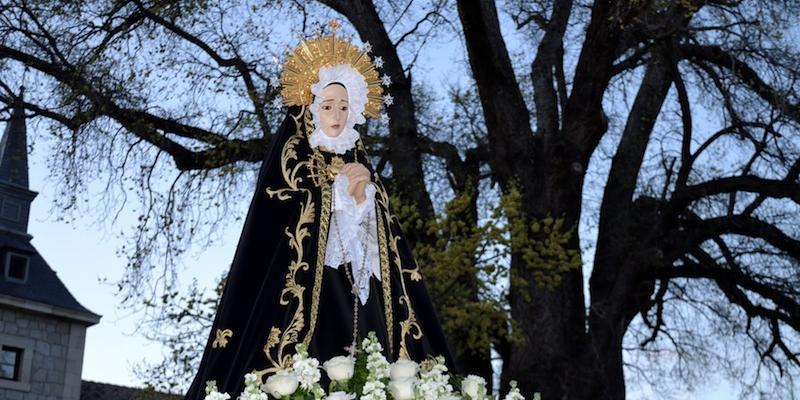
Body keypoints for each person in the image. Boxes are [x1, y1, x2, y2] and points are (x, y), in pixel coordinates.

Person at [183, 22, 454, 399]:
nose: (337, 114)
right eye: (327, 105)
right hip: (305, 295)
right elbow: (281, 222)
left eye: (344, 106)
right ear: (311, 108)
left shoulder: (363, 166)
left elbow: (384, 251)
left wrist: (363, 199)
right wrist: (335, 193)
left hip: (362, 295)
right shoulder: (291, 164)